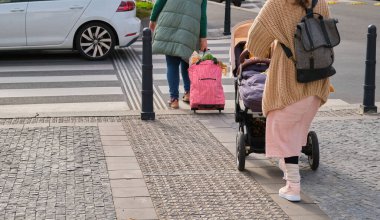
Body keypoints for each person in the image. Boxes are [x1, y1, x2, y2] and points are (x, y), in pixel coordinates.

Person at [246, 0, 332, 202]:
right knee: (296, 129)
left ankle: (293, 186)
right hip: (317, 78)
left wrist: (278, 40)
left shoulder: (277, 3)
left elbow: (255, 42)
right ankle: (288, 172)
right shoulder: (321, 2)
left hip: (291, 81)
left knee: (282, 129)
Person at [149, 0, 208, 109]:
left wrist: (153, 19)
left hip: (170, 24)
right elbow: (203, 15)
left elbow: (160, 2)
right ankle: (189, 93)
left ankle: (174, 99)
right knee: (187, 62)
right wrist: (203, 37)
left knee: (172, 64)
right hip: (190, 28)